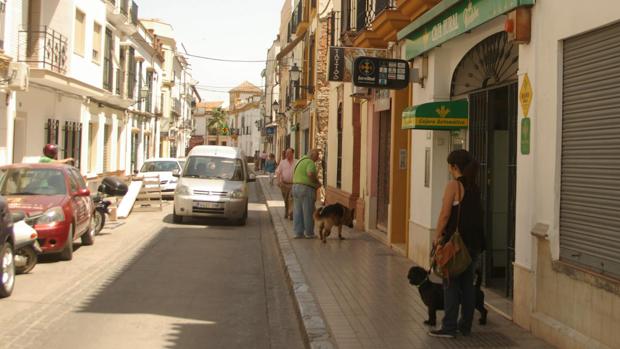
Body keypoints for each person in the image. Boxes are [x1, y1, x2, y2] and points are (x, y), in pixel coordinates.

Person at [428, 149, 485, 338]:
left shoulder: (454, 186)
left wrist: (437, 238)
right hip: (474, 244)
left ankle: (449, 327)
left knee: (450, 284)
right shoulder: (474, 187)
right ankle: (465, 326)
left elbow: (445, 215)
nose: (449, 171)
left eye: (450, 167)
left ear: (454, 167)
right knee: (468, 285)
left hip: (456, 245)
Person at [292, 149, 321, 239]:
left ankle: (298, 232)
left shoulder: (299, 161)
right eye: (317, 156)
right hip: (306, 189)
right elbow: (310, 173)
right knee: (308, 211)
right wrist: (317, 182)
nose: (317, 159)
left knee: (298, 211)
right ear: (312, 155)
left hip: (295, 187)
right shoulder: (310, 162)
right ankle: (309, 233)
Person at [276, 148, 295, 220]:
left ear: (292, 154)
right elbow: (278, 172)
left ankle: (291, 212)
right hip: (284, 184)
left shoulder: (296, 162)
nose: (286, 154)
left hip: (293, 184)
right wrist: (278, 182)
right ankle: (287, 211)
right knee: (286, 199)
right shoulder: (282, 162)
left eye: (288, 153)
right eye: (286, 153)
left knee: (291, 199)